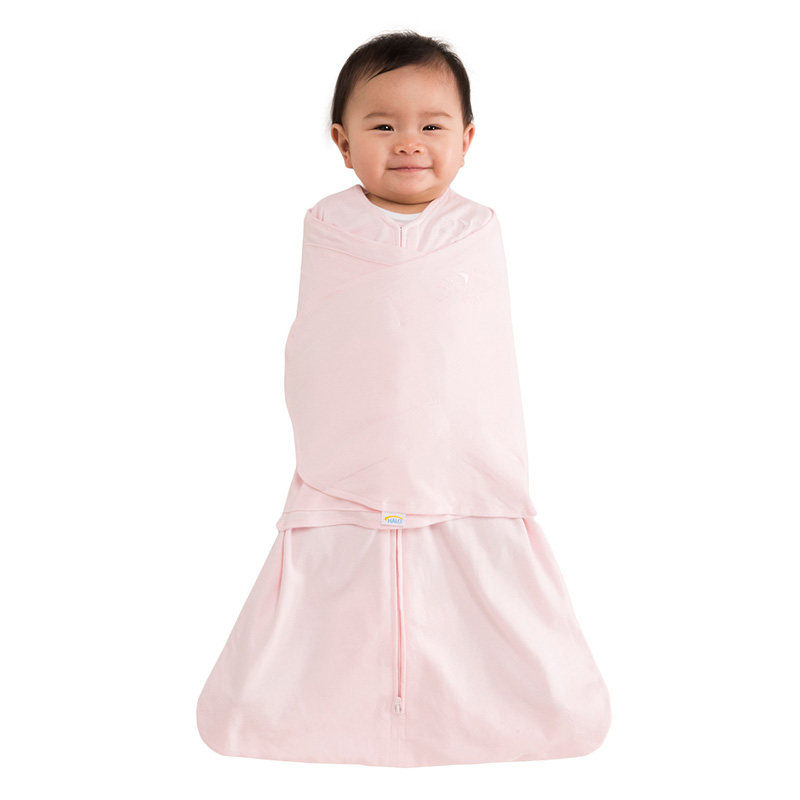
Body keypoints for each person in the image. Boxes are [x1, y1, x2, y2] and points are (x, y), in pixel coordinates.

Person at [197, 29, 611, 768]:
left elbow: (474, 351)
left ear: (468, 139)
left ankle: (498, 718)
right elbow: (328, 341)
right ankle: (312, 720)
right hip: (349, 466)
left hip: (465, 465)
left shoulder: (474, 228)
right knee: (308, 625)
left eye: (432, 126)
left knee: (511, 626)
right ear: (342, 141)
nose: (409, 143)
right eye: (383, 126)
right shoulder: (330, 226)